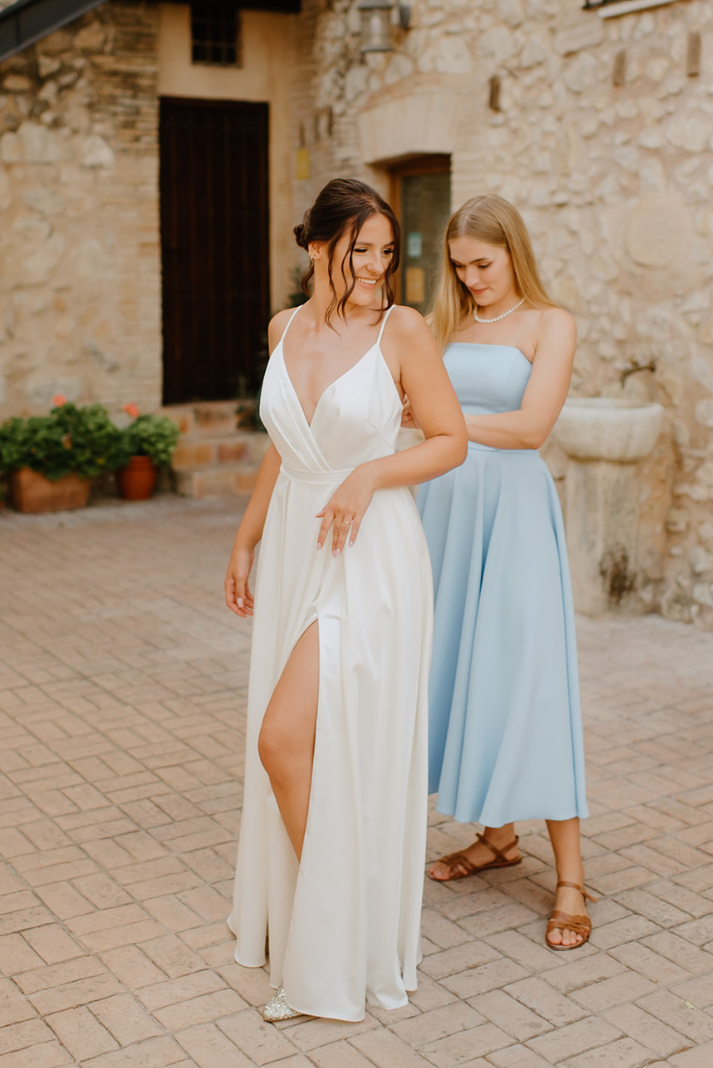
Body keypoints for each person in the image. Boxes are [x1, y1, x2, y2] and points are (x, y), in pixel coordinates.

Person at [223, 178, 468, 1021]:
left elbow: (450, 441)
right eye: (360, 250)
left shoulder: (402, 331)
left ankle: (341, 935)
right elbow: (286, 447)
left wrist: (371, 471)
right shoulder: (282, 329)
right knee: (312, 749)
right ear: (318, 247)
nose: (376, 267)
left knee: (285, 741)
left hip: (371, 554)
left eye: (387, 252)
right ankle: (335, 921)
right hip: (297, 542)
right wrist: (247, 536)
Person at [409, 195, 593, 950]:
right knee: (460, 669)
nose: (471, 278)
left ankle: (572, 878)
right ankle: (496, 838)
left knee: (530, 677)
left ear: (513, 252)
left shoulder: (553, 324)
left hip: (513, 517)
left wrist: (440, 422)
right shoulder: (439, 325)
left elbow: (531, 429)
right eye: (457, 267)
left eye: (481, 264)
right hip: (443, 509)